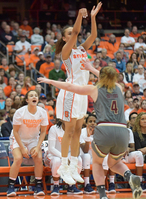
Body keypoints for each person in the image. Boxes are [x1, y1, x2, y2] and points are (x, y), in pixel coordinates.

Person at [39, 62, 143, 199]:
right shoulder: (119, 88)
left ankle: (102, 197)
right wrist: (91, 69)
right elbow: (105, 76)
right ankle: (130, 176)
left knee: (97, 163)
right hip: (122, 131)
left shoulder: (94, 89)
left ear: (100, 77)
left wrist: (50, 81)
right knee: (113, 163)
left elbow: (70, 87)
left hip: (105, 129)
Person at [52, 3, 102, 185]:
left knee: (77, 132)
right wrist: (80, 16)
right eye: (70, 33)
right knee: (69, 131)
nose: (74, 34)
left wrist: (93, 17)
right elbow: (75, 33)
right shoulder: (66, 52)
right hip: (70, 92)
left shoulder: (81, 50)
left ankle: (73, 166)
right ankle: (63, 167)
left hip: (82, 94)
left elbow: (94, 36)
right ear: (64, 38)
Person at [7, 90, 48, 197]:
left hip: (33, 139)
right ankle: (11, 187)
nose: (34, 97)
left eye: (35, 95)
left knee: (39, 158)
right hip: (17, 138)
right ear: (27, 100)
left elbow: (43, 132)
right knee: (18, 158)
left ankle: (38, 186)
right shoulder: (20, 112)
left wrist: (38, 146)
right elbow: (15, 131)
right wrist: (22, 147)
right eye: (31, 96)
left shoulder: (42, 112)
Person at [45, 119, 83, 196]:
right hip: (52, 155)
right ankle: (56, 186)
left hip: (68, 155)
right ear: (62, 120)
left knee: (78, 160)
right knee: (57, 161)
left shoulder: (76, 130)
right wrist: (64, 158)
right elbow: (51, 149)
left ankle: (71, 186)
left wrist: (72, 158)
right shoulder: (54, 129)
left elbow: (77, 150)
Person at [80, 113, 96, 194]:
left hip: (95, 158)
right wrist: (88, 137)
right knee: (87, 156)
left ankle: (102, 185)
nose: (92, 123)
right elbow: (85, 150)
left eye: (94, 121)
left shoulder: (100, 133)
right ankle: (87, 185)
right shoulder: (82, 132)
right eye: (90, 121)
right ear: (86, 123)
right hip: (83, 158)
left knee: (106, 157)